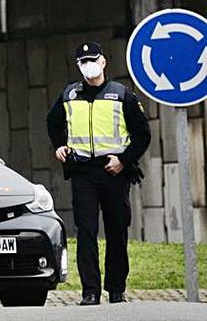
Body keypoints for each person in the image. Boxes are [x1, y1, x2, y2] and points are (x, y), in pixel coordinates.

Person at [46, 42, 151, 306]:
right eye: (83, 62)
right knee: (86, 231)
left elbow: (142, 134)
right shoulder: (69, 95)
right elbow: (53, 122)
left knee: (117, 230)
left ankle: (116, 289)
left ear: (103, 62)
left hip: (113, 171)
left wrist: (124, 161)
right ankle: (90, 291)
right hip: (83, 172)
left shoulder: (121, 94)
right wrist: (59, 146)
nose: (88, 66)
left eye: (92, 60)